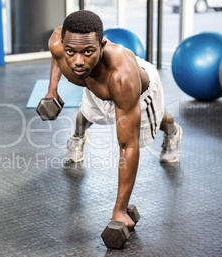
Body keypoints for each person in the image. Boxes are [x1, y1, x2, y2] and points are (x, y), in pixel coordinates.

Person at [44, 10, 182, 230]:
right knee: (85, 115)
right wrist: (52, 90)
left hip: (138, 93)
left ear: (102, 45)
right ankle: (77, 139)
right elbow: (57, 47)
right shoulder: (59, 45)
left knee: (156, 121)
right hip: (94, 84)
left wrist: (120, 209)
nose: (78, 61)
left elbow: (128, 146)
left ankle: (172, 131)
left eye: (88, 51)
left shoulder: (122, 77)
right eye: (71, 51)